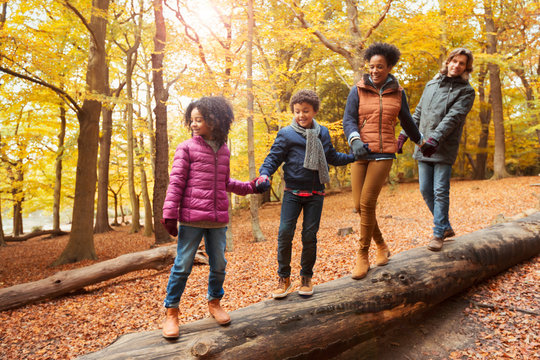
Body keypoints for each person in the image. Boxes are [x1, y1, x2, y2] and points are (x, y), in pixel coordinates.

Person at [160, 96, 265, 339]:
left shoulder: (224, 149)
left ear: (215, 120)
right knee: (182, 265)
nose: (194, 124)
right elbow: (176, 183)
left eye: (200, 119)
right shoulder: (186, 148)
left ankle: (214, 302)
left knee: (219, 265)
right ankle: (172, 311)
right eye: (192, 120)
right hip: (191, 220)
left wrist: (251, 186)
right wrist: (169, 213)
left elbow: (225, 182)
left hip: (218, 220)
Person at [256, 89, 355, 298]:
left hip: (315, 192)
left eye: (306, 111)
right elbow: (273, 158)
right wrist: (264, 174)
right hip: (292, 192)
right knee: (284, 234)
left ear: (314, 111)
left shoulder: (323, 133)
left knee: (309, 236)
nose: (301, 115)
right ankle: (283, 278)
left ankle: (306, 278)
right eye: (297, 111)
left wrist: (353, 157)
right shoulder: (286, 134)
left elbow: (332, 157)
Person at [342, 42, 426, 280]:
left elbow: (407, 121)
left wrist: (420, 141)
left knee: (368, 203)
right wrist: (354, 139)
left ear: (389, 67)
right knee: (359, 206)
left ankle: (362, 254)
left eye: (380, 67)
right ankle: (382, 245)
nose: (375, 70)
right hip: (360, 152)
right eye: (371, 66)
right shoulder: (357, 90)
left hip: (383, 153)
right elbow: (348, 119)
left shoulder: (398, 93)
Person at [397, 48, 475, 252]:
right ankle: (446, 226)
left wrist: (435, 140)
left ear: (467, 67)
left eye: (461, 63)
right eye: (454, 61)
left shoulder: (466, 91)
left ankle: (438, 233)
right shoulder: (431, 85)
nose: (456, 65)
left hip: (443, 146)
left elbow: (453, 118)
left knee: (440, 190)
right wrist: (405, 134)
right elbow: (418, 113)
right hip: (423, 144)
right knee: (425, 190)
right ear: (448, 62)